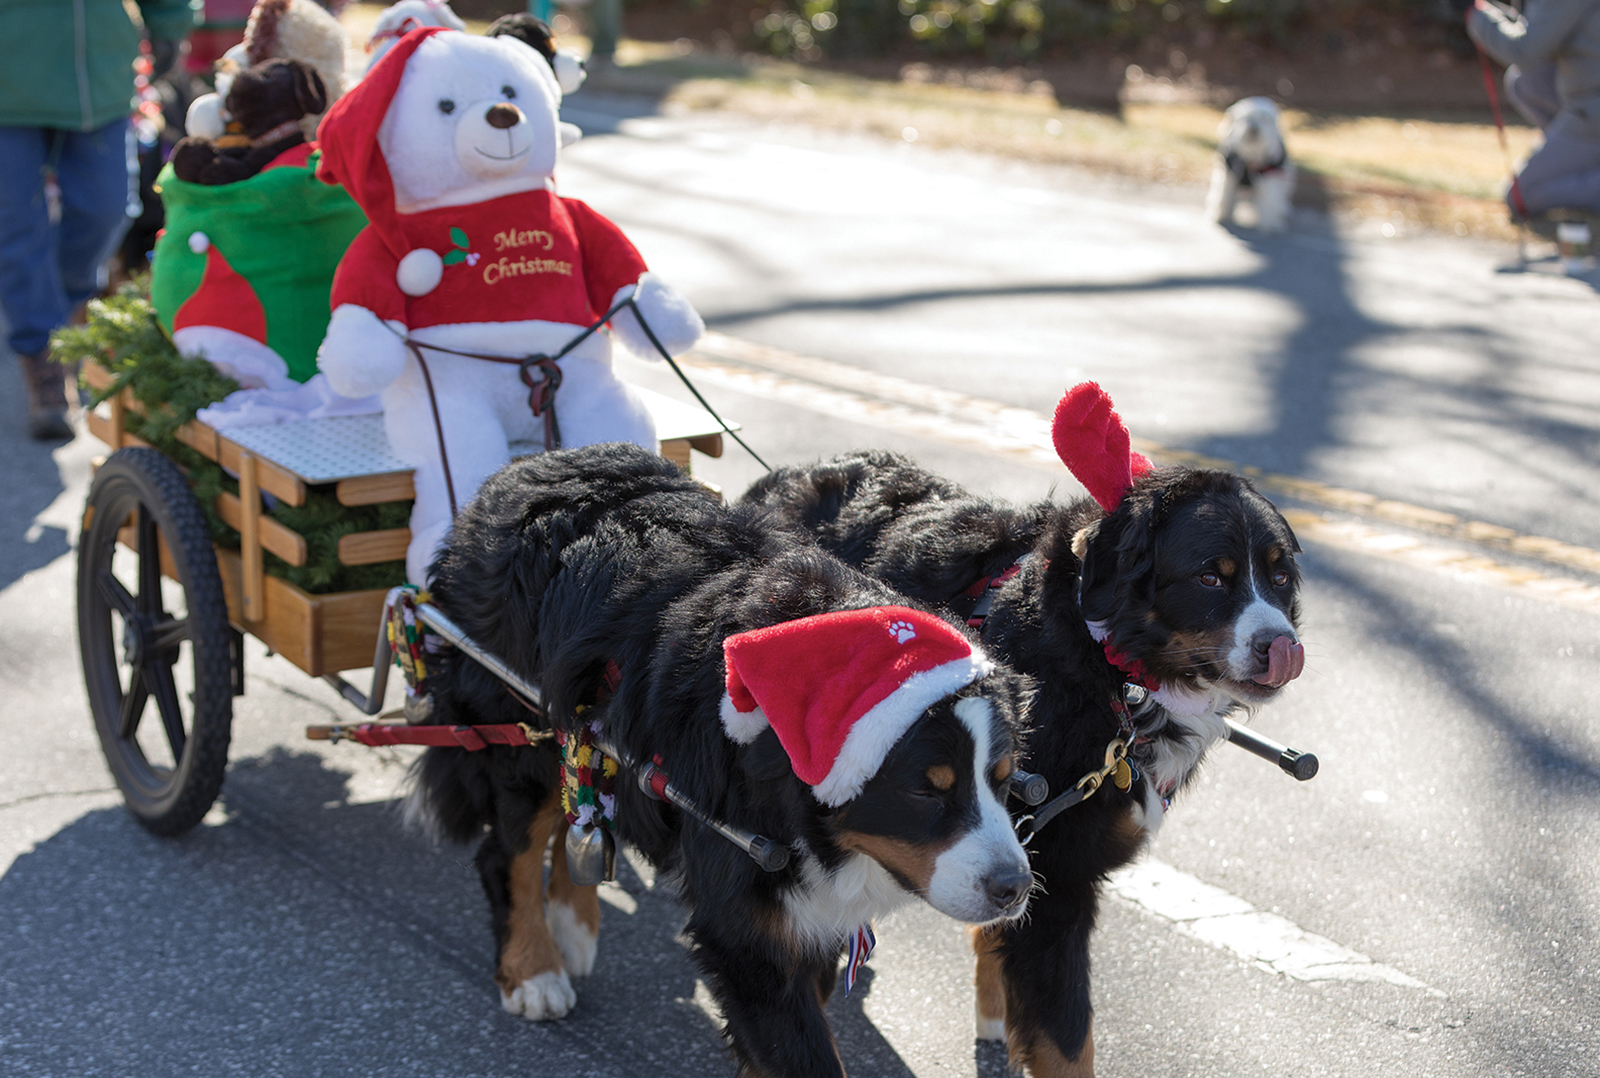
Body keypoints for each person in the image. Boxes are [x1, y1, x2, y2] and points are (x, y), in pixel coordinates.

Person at [0, 0, 197, 440]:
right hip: (7, 78)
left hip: (99, 74)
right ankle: (44, 354)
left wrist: (168, 22)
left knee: (106, 209)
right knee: (14, 223)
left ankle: (55, 312)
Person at [1468, 0, 1600, 218]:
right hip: (1586, 102)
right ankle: (1575, 160)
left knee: (1522, 196)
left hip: (1592, 110)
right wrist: (1482, 11)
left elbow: (1523, 49)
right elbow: (1537, 32)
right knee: (1525, 81)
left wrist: (1474, 13)